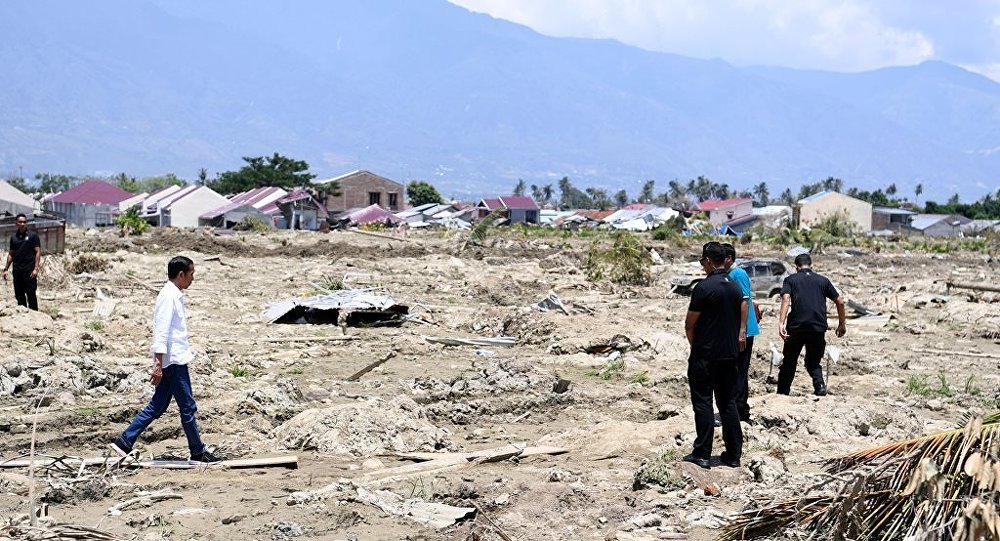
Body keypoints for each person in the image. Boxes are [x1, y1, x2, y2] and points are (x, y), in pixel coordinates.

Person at [110, 256, 221, 464]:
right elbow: (160, 333)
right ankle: (197, 452)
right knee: (187, 407)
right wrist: (158, 364)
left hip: (173, 359)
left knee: (158, 405)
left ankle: (124, 442)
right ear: (180, 275)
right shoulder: (168, 297)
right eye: (191, 275)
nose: (192, 279)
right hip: (173, 362)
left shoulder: (173, 294)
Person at [683, 242, 746, 469]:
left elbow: (690, 325)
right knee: (728, 403)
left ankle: (702, 453)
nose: (702, 265)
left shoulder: (703, 287)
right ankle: (733, 454)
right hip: (729, 355)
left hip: (706, 356)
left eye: (702, 261)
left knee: (703, 403)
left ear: (708, 260)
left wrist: (696, 347)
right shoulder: (735, 287)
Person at [777, 253, 847, 396]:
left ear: (795, 267)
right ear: (812, 265)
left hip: (796, 326)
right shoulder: (823, 281)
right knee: (813, 362)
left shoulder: (790, 280)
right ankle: (820, 386)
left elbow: (785, 299)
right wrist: (842, 324)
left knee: (789, 361)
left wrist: (781, 323)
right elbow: (840, 301)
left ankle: (782, 394)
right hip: (817, 326)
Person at [722, 243, 759, 422]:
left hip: (743, 331)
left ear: (728, 258)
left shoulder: (738, 274)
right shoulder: (730, 275)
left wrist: (742, 331)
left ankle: (740, 410)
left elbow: (744, 301)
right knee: (734, 371)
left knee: (739, 371)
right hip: (735, 331)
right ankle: (738, 408)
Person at [2, 214, 41, 311]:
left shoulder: (33, 236)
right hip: (17, 270)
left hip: (29, 270)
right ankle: (23, 315)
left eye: (24, 222)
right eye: (20, 222)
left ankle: (35, 316)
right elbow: (11, 254)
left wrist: (36, 269)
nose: (22, 224)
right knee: (19, 295)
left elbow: (38, 252)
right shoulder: (13, 238)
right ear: (16, 223)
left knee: (31, 294)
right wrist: (6, 269)